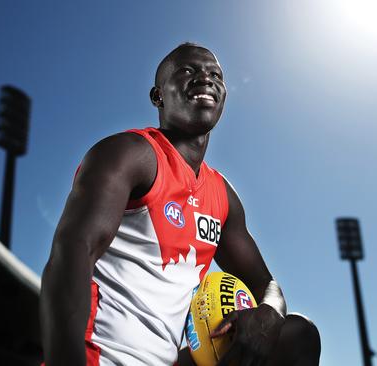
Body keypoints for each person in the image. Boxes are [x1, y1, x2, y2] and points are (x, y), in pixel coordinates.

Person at [40, 42, 321, 366]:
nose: (205, 79)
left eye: (215, 74)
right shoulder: (128, 153)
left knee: (297, 335)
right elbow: (70, 255)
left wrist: (268, 314)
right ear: (158, 96)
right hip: (99, 358)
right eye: (188, 71)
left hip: (169, 361)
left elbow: (266, 285)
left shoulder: (223, 197)